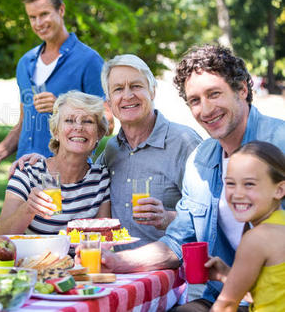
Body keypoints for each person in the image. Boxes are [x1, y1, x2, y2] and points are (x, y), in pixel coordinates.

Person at [98, 45, 285, 311]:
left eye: (214, 94)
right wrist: (118, 261)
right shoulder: (201, 159)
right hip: (224, 294)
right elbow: (177, 242)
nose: (206, 109)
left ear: (242, 89)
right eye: (195, 100)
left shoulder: (280, 143)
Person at [0, 0, 105, 173]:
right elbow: (24, 123)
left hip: (68, 176)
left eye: (44, 14)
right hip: (23, 173)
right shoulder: (25, 63)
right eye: (32, 17)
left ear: (61, 10)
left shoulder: (89, 61)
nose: (38, 23)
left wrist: (62, 108)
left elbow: (107, 122)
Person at [96, 54, 201, 248]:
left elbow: (211, 215)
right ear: (109, 103)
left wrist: (168, 218)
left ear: (152, 91)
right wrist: (40, 163)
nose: (127, 95)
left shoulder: (184, 142)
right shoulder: (111, 150)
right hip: (115, 271)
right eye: (118, 89)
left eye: (136, 86)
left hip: (168, 272)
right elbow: (80, 185)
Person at [0, 91, 111, 235]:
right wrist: (28, 209)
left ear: (98, 133)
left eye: (88, 121)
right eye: (69, 120)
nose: (79, 127)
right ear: (55, 132)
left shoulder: (101, 180)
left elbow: (104, 238)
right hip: (35, 258)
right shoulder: (28, 173)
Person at [205, 141, 285, 312]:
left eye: (249, 184)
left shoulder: (256, 238)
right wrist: (228, 275)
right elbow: (272, 291)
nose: (238, 194)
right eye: (231, 183)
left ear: (280, 189)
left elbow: (226, 306)